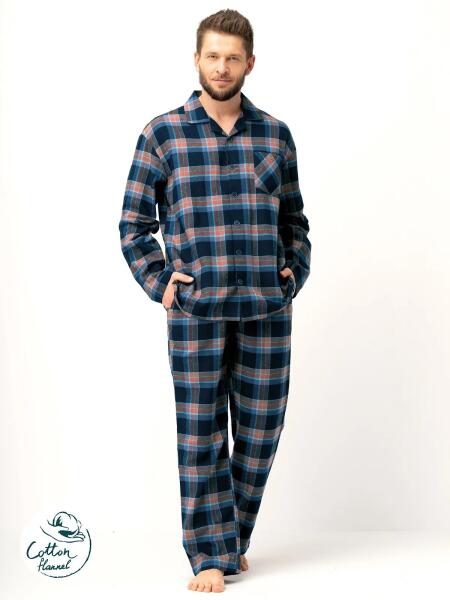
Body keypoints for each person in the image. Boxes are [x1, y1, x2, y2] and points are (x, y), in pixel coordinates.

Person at [119, 9, 311, 593]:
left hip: (266, 308)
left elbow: (296, 222)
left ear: (249, 63)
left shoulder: (275, 134)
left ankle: (231, 538)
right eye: (212, 56)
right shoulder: (162, 134)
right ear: (196, 59)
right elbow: (133, 225)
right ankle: (210, 553)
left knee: (261, 429)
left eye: (232, 58)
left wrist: (293, 272)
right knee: (200, 432)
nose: (221, 67)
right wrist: (161, 283)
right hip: (196, 311)